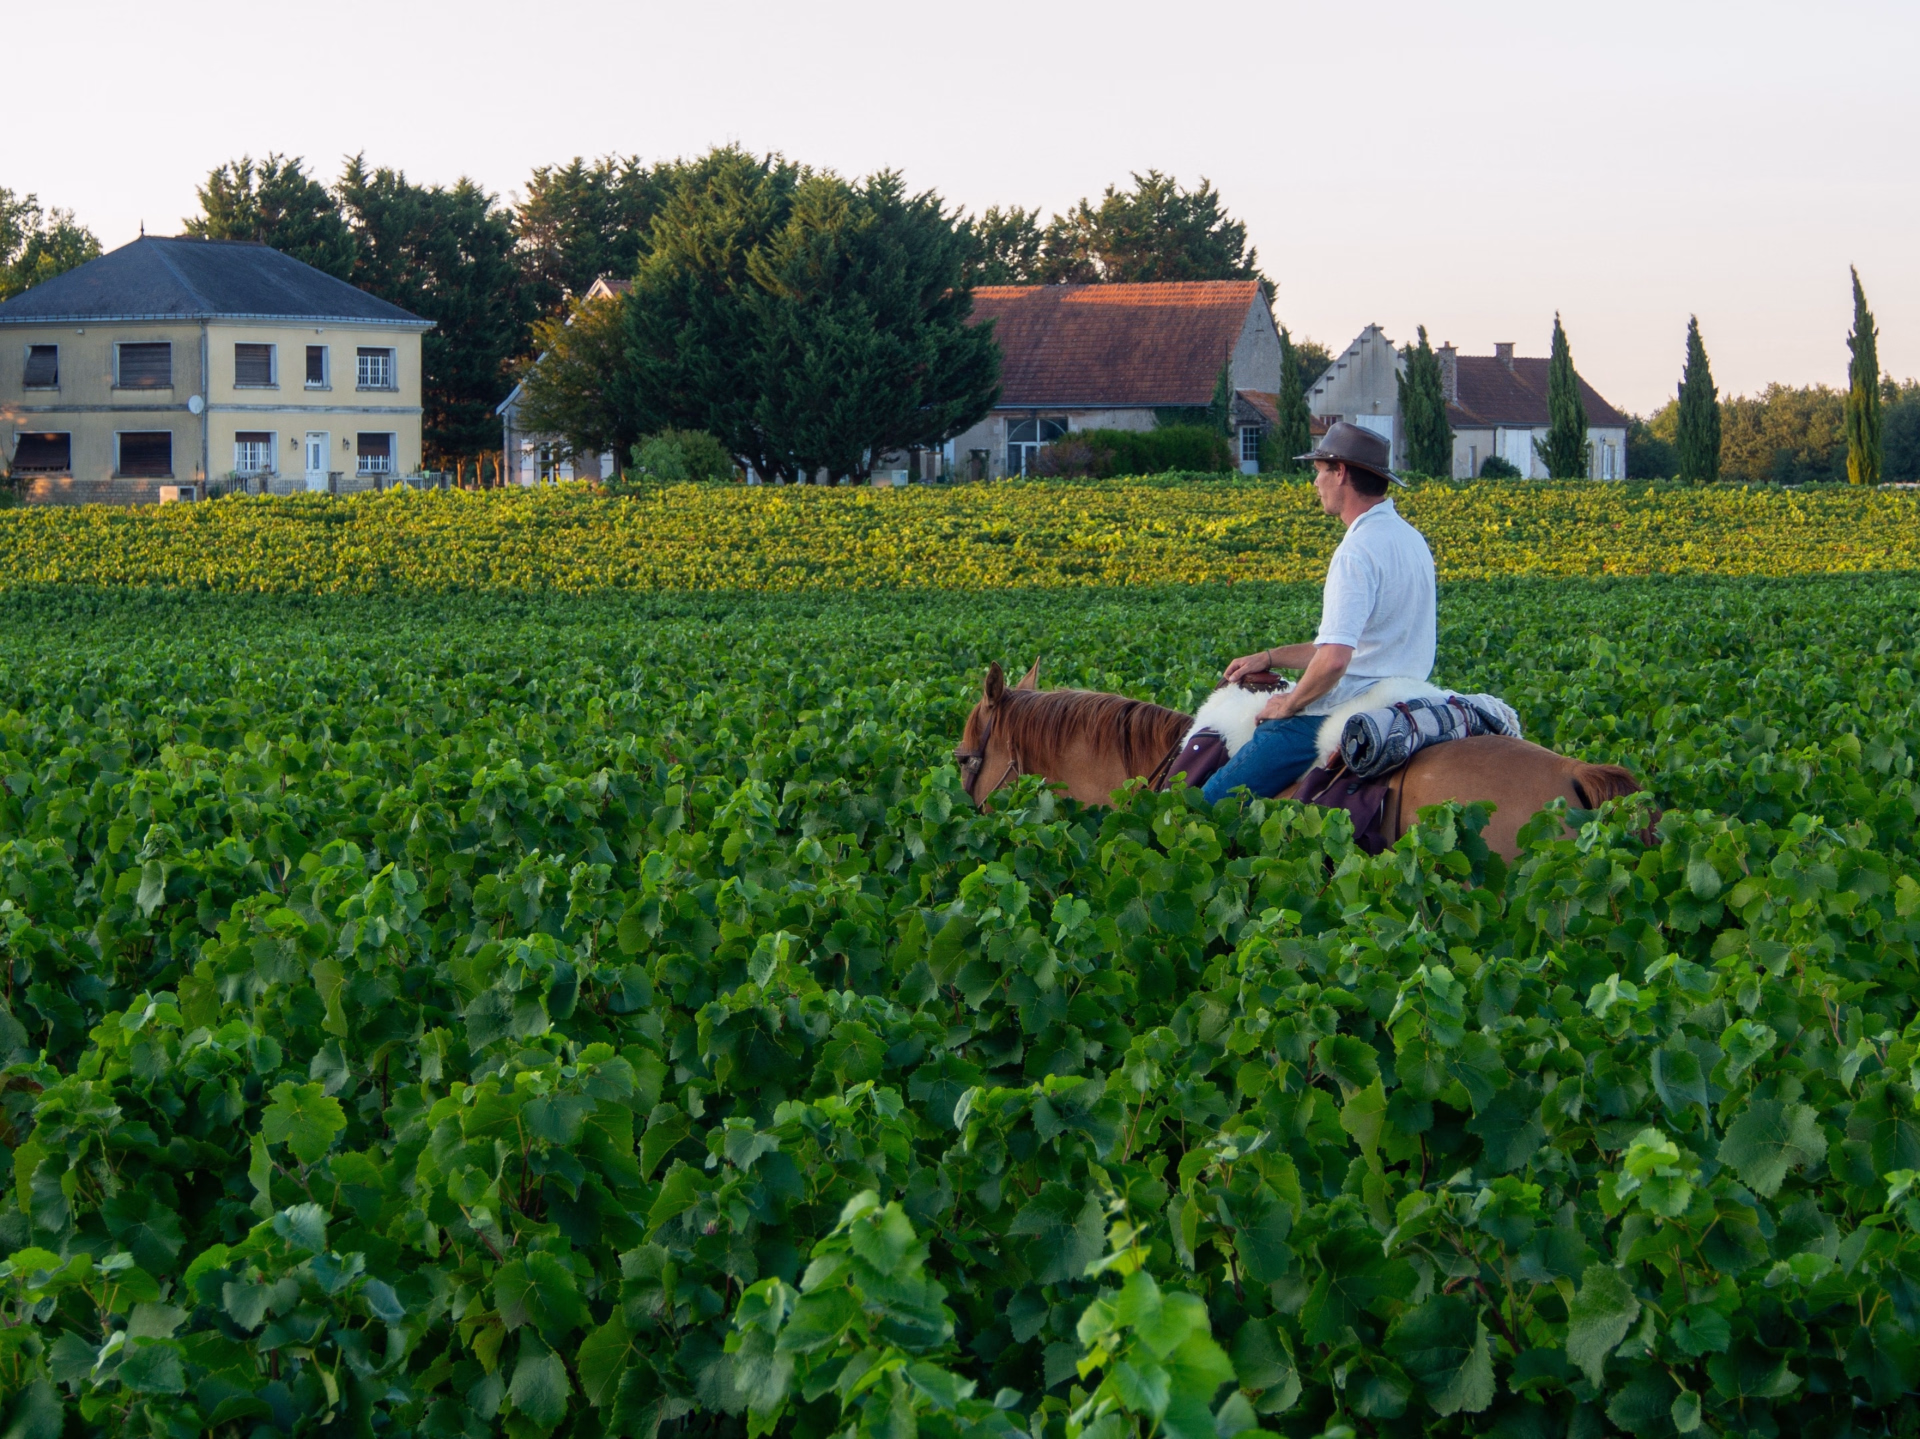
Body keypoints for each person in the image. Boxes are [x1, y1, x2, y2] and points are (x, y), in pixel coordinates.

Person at [1202, 421, 1437, 803]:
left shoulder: (1357, 550)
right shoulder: (1410, 539)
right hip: (1405, 698)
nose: (1315, 483)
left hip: (1350, 704)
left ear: (1340, 472)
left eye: (1319, 471)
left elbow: (1333, 661)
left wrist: (1289, 705)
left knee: (1209, 806)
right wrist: (1268, 657)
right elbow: (1344, 645)